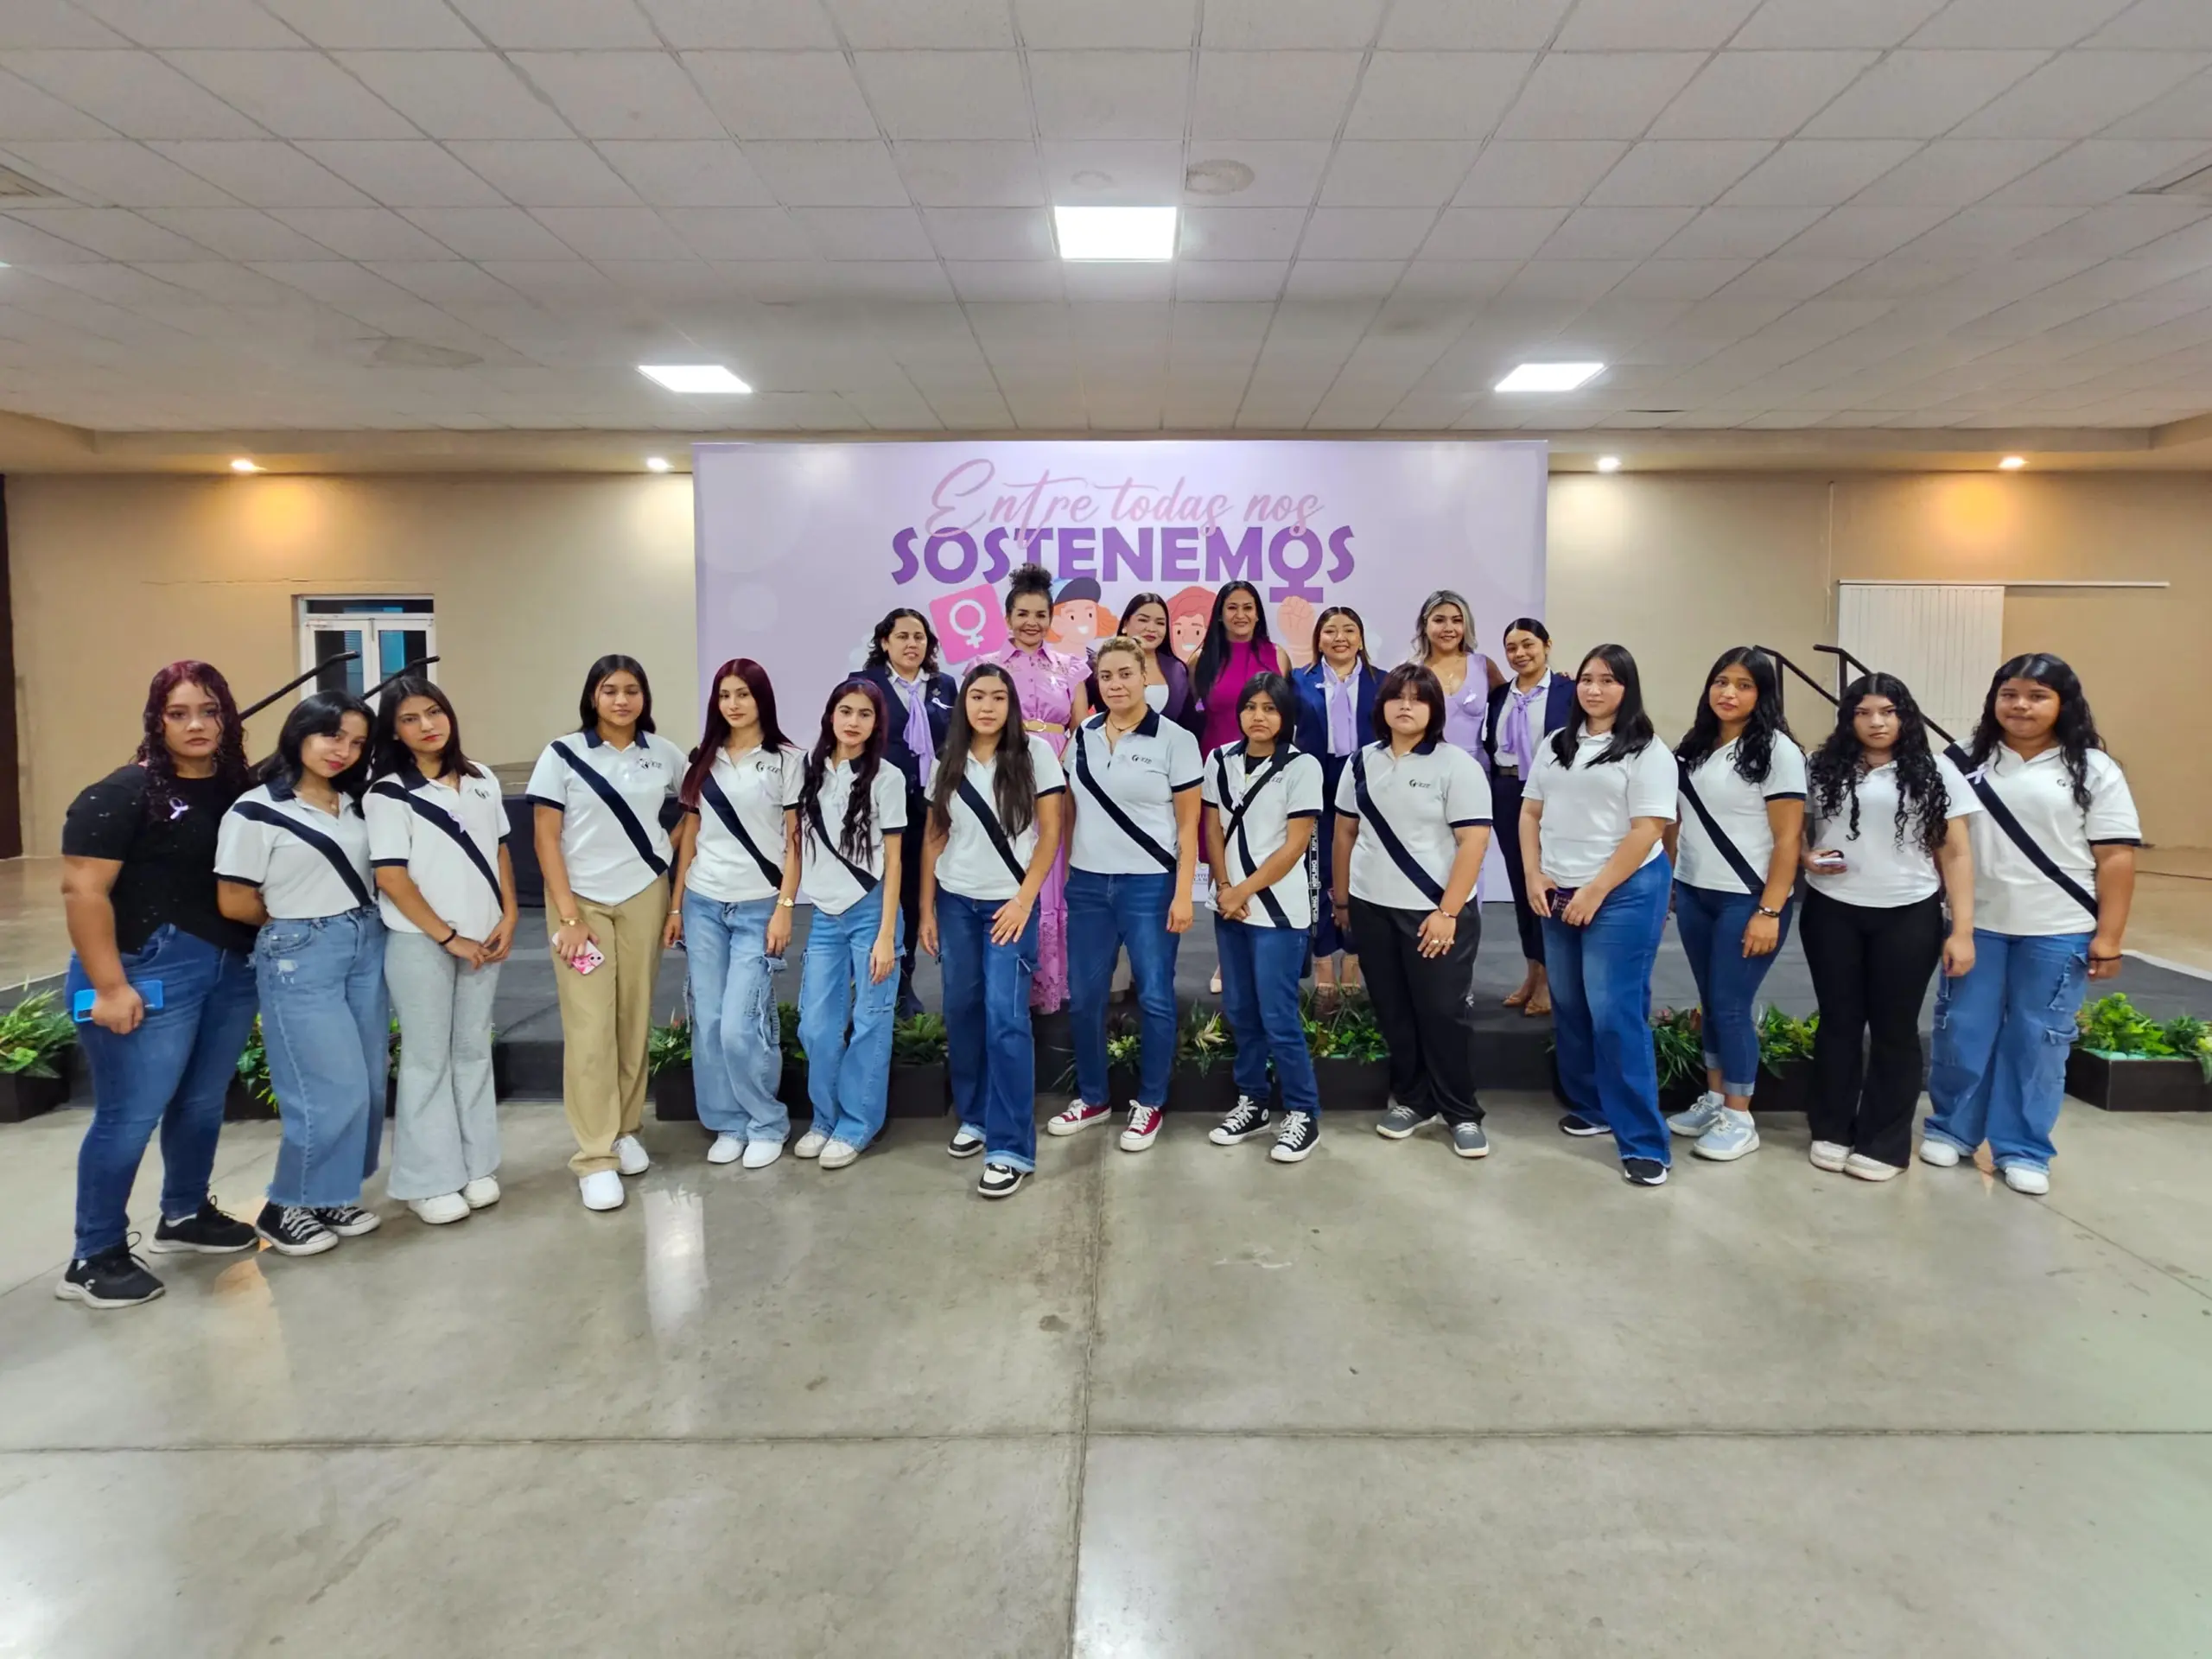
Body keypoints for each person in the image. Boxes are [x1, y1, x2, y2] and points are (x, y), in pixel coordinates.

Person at [55, 662, 261, 1307]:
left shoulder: (235, 790)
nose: (196, 725)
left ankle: (184, 1213)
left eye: (209, 711)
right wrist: (110, 987)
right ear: (157, 718)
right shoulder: (121, 793)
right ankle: (94, 1254)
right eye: (180, 713)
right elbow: (83, 891)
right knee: (128, 1117)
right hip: (143, 972)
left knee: (201, 1102)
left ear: (227, 717)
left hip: (228, 967)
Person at [1923, 654, 2138, 1196]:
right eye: (2010, 694)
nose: (2020, 706)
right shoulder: (1959, 762)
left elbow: (2114, 858)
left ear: (2063, 704)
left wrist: (2109, 937)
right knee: (1963, 1029)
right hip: (1978, 926)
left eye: (2038, 696)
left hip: (2058, 928)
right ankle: (1953, 1128)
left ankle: (2023, 1147)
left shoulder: (2092, 768)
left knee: (2037, 1039)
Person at [215, 691, 386, 1255]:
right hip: (299, 948)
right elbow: (236, 899)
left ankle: (329, 1193)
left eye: (357, 742)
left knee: (363, 1079)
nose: (344, 750)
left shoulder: (355, 803)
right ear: (300, 733)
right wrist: (296, 926)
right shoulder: (255, 810)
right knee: (324, 1084)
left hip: (364, 942)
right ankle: (285, 1205)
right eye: (333, 735)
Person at [1801, 674, 1980, 1181]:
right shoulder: (1823, 767)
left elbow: (1958, 852)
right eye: (1862, 712)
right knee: (1838, 1022)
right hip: (1832, 910)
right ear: (1848, 718)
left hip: (1908, 912)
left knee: (1895, 1029)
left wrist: (1961, 929)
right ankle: (1832, 1127)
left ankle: (1884, 1140)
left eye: (1887, 711)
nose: (1876, 722)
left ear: (1905, 715)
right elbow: (1793, 831)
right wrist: (1805, 857)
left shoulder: (1937, 771)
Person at [528, 655, 690, 1213]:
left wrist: (667, 855)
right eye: (609, 690)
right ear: (592, 696)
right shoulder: (562, 755)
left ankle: (624, 1129)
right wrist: (570, 916)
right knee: (590, 1025)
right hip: (581, 904)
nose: (621, 700)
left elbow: (696, 808)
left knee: (633, 1015)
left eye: (632, 690)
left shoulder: (662, 754)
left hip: (645, 895)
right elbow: (546, 839)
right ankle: (594, 1156)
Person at [1521, 645, 1678, 1187]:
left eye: (1608, 680)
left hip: (1624, 891)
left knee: (1615, 1013)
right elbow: (1530, 812)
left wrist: (1593, 891)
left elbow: (1648, 829)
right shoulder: (1557, 744)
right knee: (1570, 1003)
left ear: (1626, 688)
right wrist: (1534, 875)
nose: (1594, 689)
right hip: (1558, 888)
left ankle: (1643, 1141)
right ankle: (1591, 1105)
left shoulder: (1647, 750)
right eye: (1586, 679)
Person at [365, 677, 518, 1227]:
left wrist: (510, 913)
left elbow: (499, 849)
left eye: (434, 712)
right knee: (427, 1059)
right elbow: (391, 877)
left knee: (473, 1051)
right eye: (410, 718)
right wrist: (449, 937)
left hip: (486, 936)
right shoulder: (387, 792)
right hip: (419, 942)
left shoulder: (480, 779)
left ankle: (477, 1165)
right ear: (395, 731)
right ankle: (426, 1180)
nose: (427, 725)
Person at [1047, 636, 1202, 1154]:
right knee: (1086, 998)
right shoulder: (1083, 735)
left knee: (1155, 997)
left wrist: (1184, 894)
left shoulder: (1176, 740)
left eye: (1125, 674)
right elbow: (1068, 811)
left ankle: (1150, 1102)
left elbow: (1188, 825)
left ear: (1144, 677)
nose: (1115, 684)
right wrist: (1068, 871)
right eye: (1106, 677)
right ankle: (1093, 1097)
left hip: (1150, 886)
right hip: (1089, 886)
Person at [1332, 665, 1493, 1159]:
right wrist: (1342, 900)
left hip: (1434, 914)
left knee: (1442, 1013)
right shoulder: (1360, 763)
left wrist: (1447, 912)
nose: (1406, 706)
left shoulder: (1456, 765)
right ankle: (1413, 1099)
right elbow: (1344, 834)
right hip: (1371, 906)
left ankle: (1461, 1111)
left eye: (1417, 699)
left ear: (1434, 710)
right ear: (1381, 707)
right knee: (1394, 1011)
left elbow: (1474, 841)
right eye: (1396, 698)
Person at [920, 662, 1065, 1198]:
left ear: (1011, 707)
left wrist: (1025, 901)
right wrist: (928, 909)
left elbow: (1051, 833)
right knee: (962, 1009)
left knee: (1007, 1019)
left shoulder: (1036, 757)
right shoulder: (947, 761)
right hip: (956, 903)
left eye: (997, 698)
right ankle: (976, 1115)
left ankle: (1011, 1147)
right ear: (963, 705)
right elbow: (936, 838)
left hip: (1009, 906)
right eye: (977, 696)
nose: (986, 706)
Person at [1662, 648, 1807, 1165]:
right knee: (1711, 1000)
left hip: (1748, 898)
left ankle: (1741, 1117)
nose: (1729, 693)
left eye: (1744, 685)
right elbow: (1678, 821)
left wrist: (1769, 911)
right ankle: (1718, 1097)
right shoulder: (1697, 747)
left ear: (1763, 695)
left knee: (1730, 1004)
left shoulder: (1778, 751)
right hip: (1698, 891)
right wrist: (1673, 881)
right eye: (1721, 681)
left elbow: (1789, 840)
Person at [674, 658, 804, 1170]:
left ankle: (766, 1121)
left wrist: (785, 907)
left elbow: (796, 842)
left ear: (761, 700)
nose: (733, 704)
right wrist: (677, 904)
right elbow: (689, 837)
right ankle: (727, 1122)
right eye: (725, 695)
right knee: (707, 1021)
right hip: (703, 901)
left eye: (743, 694)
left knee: (739, 1023)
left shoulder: (788, 760)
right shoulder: (702, 759)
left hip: (758, 906)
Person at [1205, 673, 1326, 1163]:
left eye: (1270, 709)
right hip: (1232, 906)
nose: (1259, 716)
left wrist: (1242, 891)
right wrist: (1224, 887)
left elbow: (1295, 844)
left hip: (1277, 910)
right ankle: (1253, 1100)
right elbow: (1212, 828)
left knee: (1278, 1015)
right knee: (1241, 1010)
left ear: (1285, 716)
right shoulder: (1219, 759)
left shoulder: (1302, 766)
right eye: (1251, 707)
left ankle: (1303, 1111)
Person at [793, 678, 907, 1169]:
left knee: (870, 1022)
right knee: (817, 1026)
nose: (853, 721)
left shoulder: (888, 778)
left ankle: (857, 1124)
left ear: (876, 723)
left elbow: (897, 861)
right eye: (845, 710)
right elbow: (793, 844)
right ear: (830, 715)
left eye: (864, 714)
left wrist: (886, 935)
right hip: (824, 915)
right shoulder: (806, 771)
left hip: (873, 911)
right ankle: (824, 1117)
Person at [996, 563, 1090, 1014]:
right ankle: (1009, 972)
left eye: (1040, 614)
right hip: (1007, 776)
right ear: (1008, 617)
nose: (1031, 623)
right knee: (1011, 862)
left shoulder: (1073, 667)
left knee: (1053, 869)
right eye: (1022, 614)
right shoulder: (987, 668)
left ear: (1051, 618)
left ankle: (1050, 985)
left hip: (1057, 777)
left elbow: (1082, 729)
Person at [859, 607, 955, 1018]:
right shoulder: (865, 686)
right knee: (879, 893)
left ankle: (905, 980)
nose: (912, 644)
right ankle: (868, 976)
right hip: (878, 809)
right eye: (902, 636)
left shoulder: (946, 686)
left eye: (920, 637)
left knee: (918, 894)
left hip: (930, 809)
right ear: (885, 642)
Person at [1481, 619, 1575, 1017]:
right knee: (1523, 886)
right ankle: (1532, 972)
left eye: (1527, 644)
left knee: (1550, 884)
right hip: (1506, 793)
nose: (1520, 653)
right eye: (1511, 647)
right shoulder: (1499, 693)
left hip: (1552, 796)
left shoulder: (1569, 691)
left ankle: (1554, 980)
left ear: (1547, 645)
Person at [1293, 606, 1382, 1008]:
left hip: (1370, 781)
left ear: (1361, 638)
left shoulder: (1385, 682)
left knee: (1364, 869)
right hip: (1317, 781)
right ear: (1319, 639)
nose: (1340, 637)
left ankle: (1357, 955)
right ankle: (1324, 957)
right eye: (1330, 631)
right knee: (1322, 872)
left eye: (1349, 630)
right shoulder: (1298, 681)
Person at [1192, 579, 1291, 755]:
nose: (1240, 615)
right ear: (1220, 615)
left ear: (1257, 614)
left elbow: (1289, 713)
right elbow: (1187, 714)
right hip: (1215, 763)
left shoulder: (1278, 655)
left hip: (1270, 764)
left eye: (1247, 608)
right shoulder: (1201, 659)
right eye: (1232, 608)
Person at [1411, 589, 1506, 768]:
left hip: (1475, 770)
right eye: (1439, 620)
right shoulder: (1411, 670)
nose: (1448, 628)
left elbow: (1517, 701)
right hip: (1424, 770)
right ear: (1425, 624)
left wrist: (1558, 682)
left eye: (1457, 620)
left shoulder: (1483, 666)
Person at [1084, 589, 1197, 729]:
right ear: (1125, 625)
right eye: (1143, 620)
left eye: (1160, 623)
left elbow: (1188, 724)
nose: (1151, 628)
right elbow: (1078, 714)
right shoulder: (1098, 664)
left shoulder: (1177, 670)